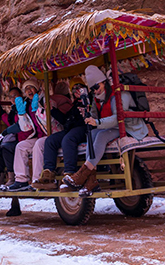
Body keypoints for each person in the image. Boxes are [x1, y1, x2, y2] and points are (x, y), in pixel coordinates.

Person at [62, 65, 148, 196]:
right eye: (92, 89)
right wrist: (88, 116)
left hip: (129, 127)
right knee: (92, 134)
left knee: (101, 136)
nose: (95, 91)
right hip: (112, 127)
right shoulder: (97, 99)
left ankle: (82, 174)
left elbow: (118, 118)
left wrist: (96, 122)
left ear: (103, 82)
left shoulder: (118, 95)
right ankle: (91, 181)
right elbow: (95, 116)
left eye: (97, 87)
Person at [32, 80, 84, 190]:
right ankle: (48, 174)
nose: (77, 91)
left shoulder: (89, 101)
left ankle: (70, 173)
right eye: (74, 89)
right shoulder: (74, 104)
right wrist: (53, 111)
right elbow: (66, 120)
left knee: (68, 139)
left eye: (79, 88)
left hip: (84, 128)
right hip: (71, 128)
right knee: (50, 140)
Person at [3, 79, 45, 191]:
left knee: (38, 145)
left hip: (49, 134)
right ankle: (21, 180)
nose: (29, 91)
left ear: (37, 89)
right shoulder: (27, 105)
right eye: (26, 89)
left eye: (31, 87)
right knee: (21, 146)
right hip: (38, 136)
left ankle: (37, 180)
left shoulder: (44, 100)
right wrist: (21, 114)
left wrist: (40, 108)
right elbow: (26, 127)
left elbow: (48, 122)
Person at [0, 86, 23, 191]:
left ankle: (12, 178)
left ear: (21, 95)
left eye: (15, 95)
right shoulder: (14, 109)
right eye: (10, 97)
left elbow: (21, 124)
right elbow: (11, 122)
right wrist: (1, 114)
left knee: (6, 147)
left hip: (24, 137)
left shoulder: (22, 107)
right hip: (18, 137)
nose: (12, 98)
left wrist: (8, 131)